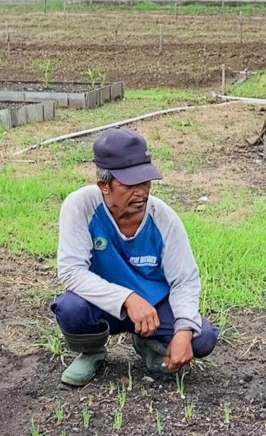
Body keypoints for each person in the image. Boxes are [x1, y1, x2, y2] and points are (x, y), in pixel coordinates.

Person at [50, 127, 220, 386]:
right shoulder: (80, 207)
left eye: (145, 182)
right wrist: (127, 298)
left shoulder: (164, 218)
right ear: (104, 186)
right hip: (104, 306)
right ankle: (92, 351)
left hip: (154, 307)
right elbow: (71, 272)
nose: (141, 192)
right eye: (130, 184)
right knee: (71, 308)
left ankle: (149, 341)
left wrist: (184, 330)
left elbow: (184, 280)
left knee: (202, 338)